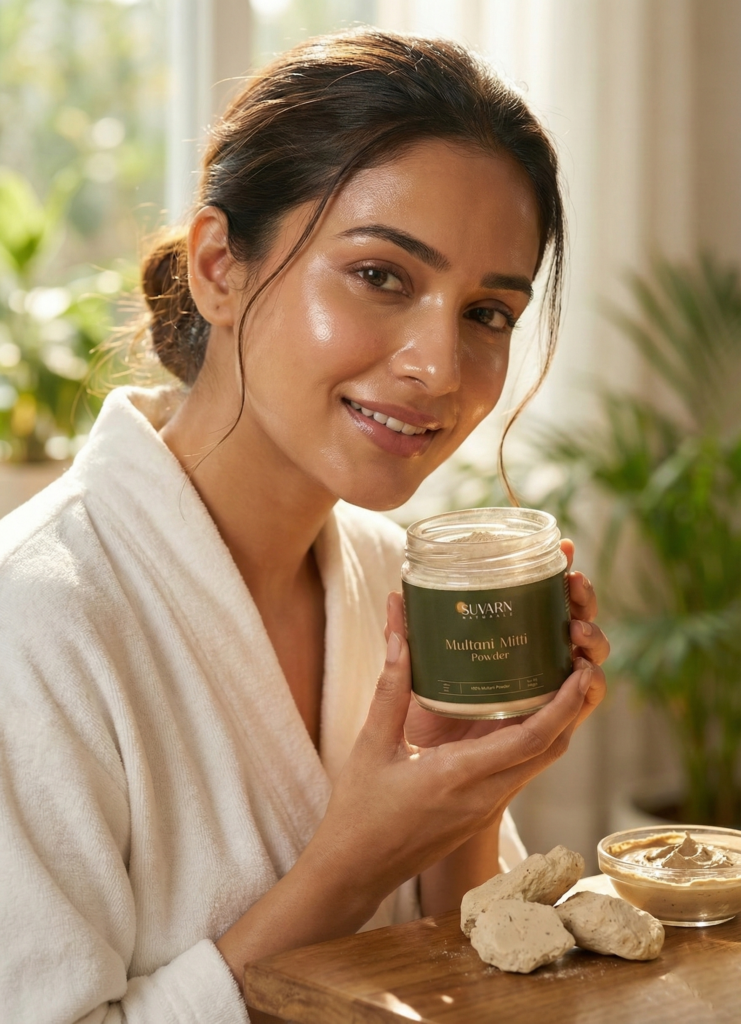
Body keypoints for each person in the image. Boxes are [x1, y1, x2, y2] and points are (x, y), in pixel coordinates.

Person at [0, 28, 608, 1024]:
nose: (439, 368)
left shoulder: (397, 582)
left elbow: (464, 981)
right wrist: (349, 867)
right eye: (381, 275)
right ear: (219, 267)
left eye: (488, 313)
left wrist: (473, 795)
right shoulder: (33, 622)